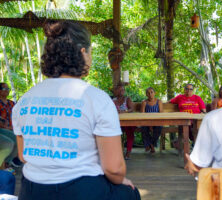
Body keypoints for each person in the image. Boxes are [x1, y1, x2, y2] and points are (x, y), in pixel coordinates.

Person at [12, 21, 140, 200]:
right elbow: (114, 169)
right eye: (90, 52)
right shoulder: (96, 99)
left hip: (31, 192)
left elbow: (24, 156)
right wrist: (121, 181)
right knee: (130, 194)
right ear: (82, 52)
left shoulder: (24, 101)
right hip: (80, 191)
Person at [0, 83, 22, 168]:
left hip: (12, 127)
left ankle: (9, 161)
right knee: (10, 142)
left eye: (8, 89)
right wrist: (7, 127)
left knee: (19, 138)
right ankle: (5, 163)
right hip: (4, 128)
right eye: (4, 89)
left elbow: (18, 116)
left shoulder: (12, 103)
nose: (7, 91)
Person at [113, 84, 136, 160]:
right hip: (116, 122)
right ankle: (116, 152)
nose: (121, 91)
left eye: (122, 90)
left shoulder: (127, 99)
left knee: (130, 132)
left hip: (128, 121)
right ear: (116, 91)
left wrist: (124, 111)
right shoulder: (113, 100)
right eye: (119, 90)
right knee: (112, 132)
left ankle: (128, 152)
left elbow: (131, 109)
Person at [140, 87, 163, 153]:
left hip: (157, 121)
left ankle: (150, 144)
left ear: (154, 93)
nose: (150, 94)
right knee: (143, 128)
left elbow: (161, 114)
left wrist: (153, 124)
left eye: (151, 92)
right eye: (148, 93)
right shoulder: (144, 102)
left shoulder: (159, 102)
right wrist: (149, 124)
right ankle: (151, 145)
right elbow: (142, 115)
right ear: (146, 94)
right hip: (146, 122)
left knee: (159, 128)